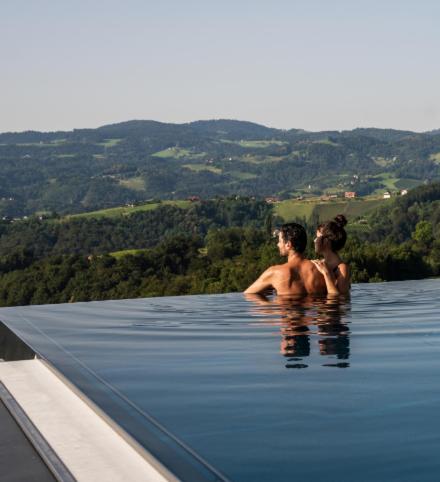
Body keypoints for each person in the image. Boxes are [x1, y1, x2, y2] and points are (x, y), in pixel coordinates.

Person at [244, 222, 327, 295]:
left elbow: (248, 294)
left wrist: (270, 307)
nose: (277, 245)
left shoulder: (275, 272)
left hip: (286, 310)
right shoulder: (320, 268)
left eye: (279, 241)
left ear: (288, 244)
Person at [311, 214, 350, 295]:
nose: (314, 241)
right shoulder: (321, 264)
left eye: (317, 238)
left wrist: (326, 273)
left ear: (326, 242)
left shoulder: (342, 269)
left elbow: (339, 299)